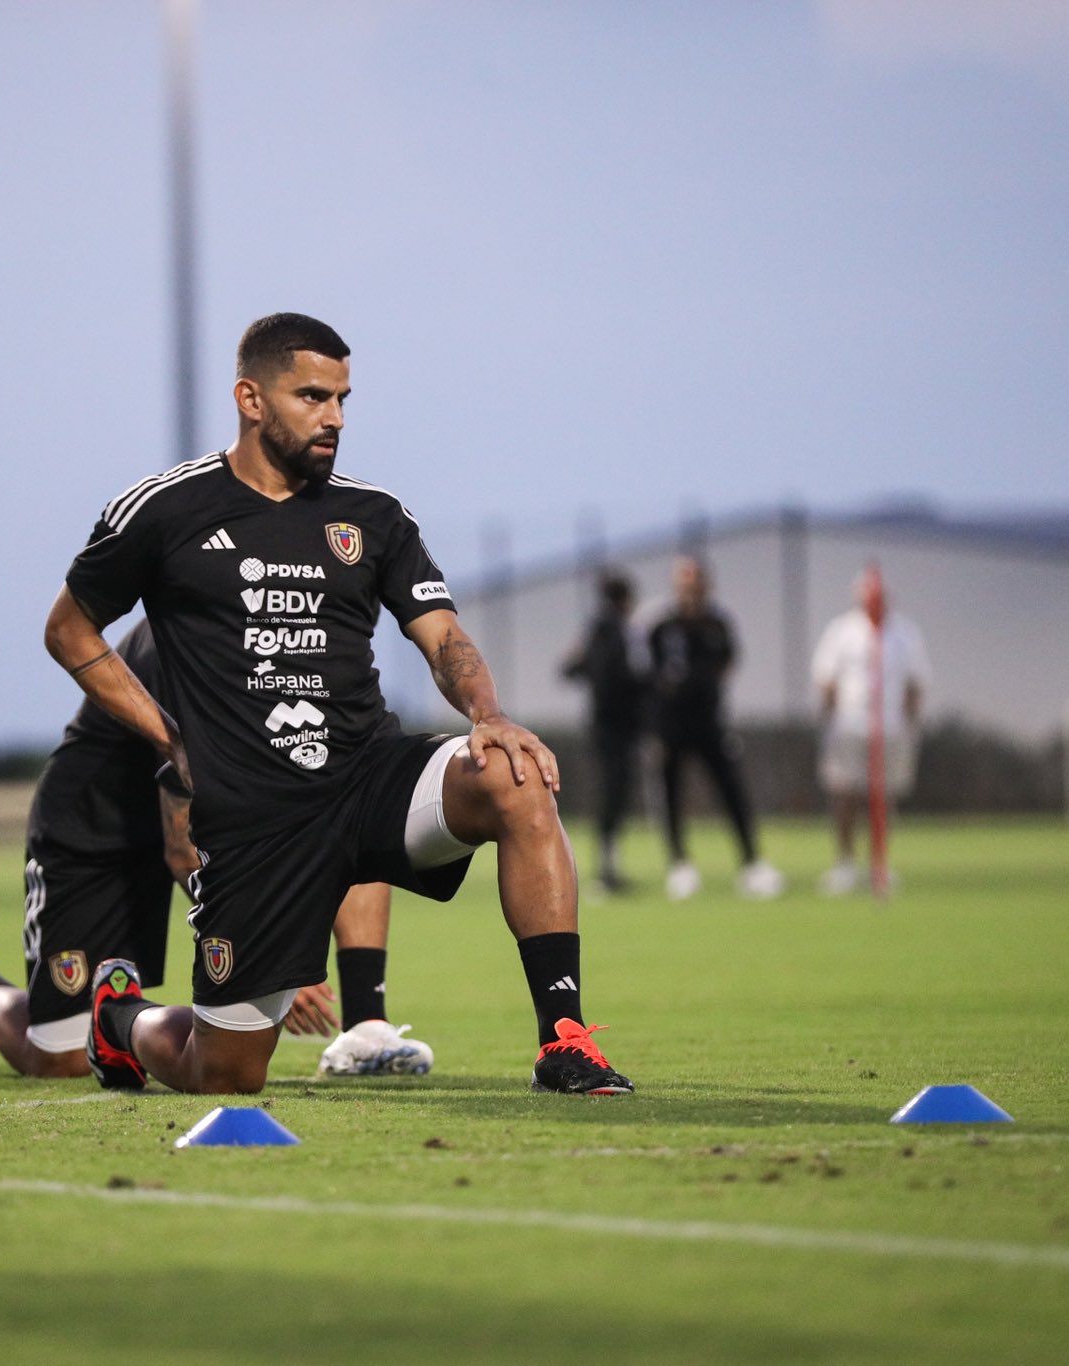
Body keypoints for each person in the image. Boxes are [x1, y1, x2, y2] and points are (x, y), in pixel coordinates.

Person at [42, 312, 633, 1097]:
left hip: (366, 778)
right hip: (254, 822)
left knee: (513, 775)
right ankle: (121, 1021)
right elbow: (69, 629)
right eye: (313, 396)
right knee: (222, 1074)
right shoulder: (166, 510)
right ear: (251, 399)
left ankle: (565, 1040)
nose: (335, 419)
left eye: (344, 399)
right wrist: (167, 737)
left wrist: (487, 715)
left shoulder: (374, 517)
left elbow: (442, 635)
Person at [0, 621, 434, 1080]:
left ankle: (367, 1026)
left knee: (347, 807)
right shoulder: (190, 642)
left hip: (203, 813)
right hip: (94, 829)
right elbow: (184, 847)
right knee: (59, 1059)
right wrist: (270, 951)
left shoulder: (300, 641)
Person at [645, 555, 783, 900]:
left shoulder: (717, 624)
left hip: (709, 721)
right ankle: (680, 865)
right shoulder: (662, 626)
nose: (688, 590)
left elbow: (728, 663)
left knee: (731, 789)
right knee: (671, 793)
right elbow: (650, 676)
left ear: (706, 586)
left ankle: (752, 863)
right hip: (672, 725)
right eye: (683, 583)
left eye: (694, 583)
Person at [812, 564, 929, 894]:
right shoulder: (842, 631)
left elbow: (916, 681)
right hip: (849, 725)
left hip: (890, 727)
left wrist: (909, 722)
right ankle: (845, 863)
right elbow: (826, 677)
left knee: (884, 795)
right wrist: (829, 718)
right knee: (845, 794)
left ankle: (879, 860)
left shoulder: (906, 634)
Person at [559, 571, 647, 894]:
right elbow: (622, 677)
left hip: (602, 726)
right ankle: (606, 871)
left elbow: (571, 669)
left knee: (612, 797)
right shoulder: (617, 632)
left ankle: (608, 867)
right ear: (625, 599)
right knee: (614, 796)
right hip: (616, 729)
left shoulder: (596, 631)